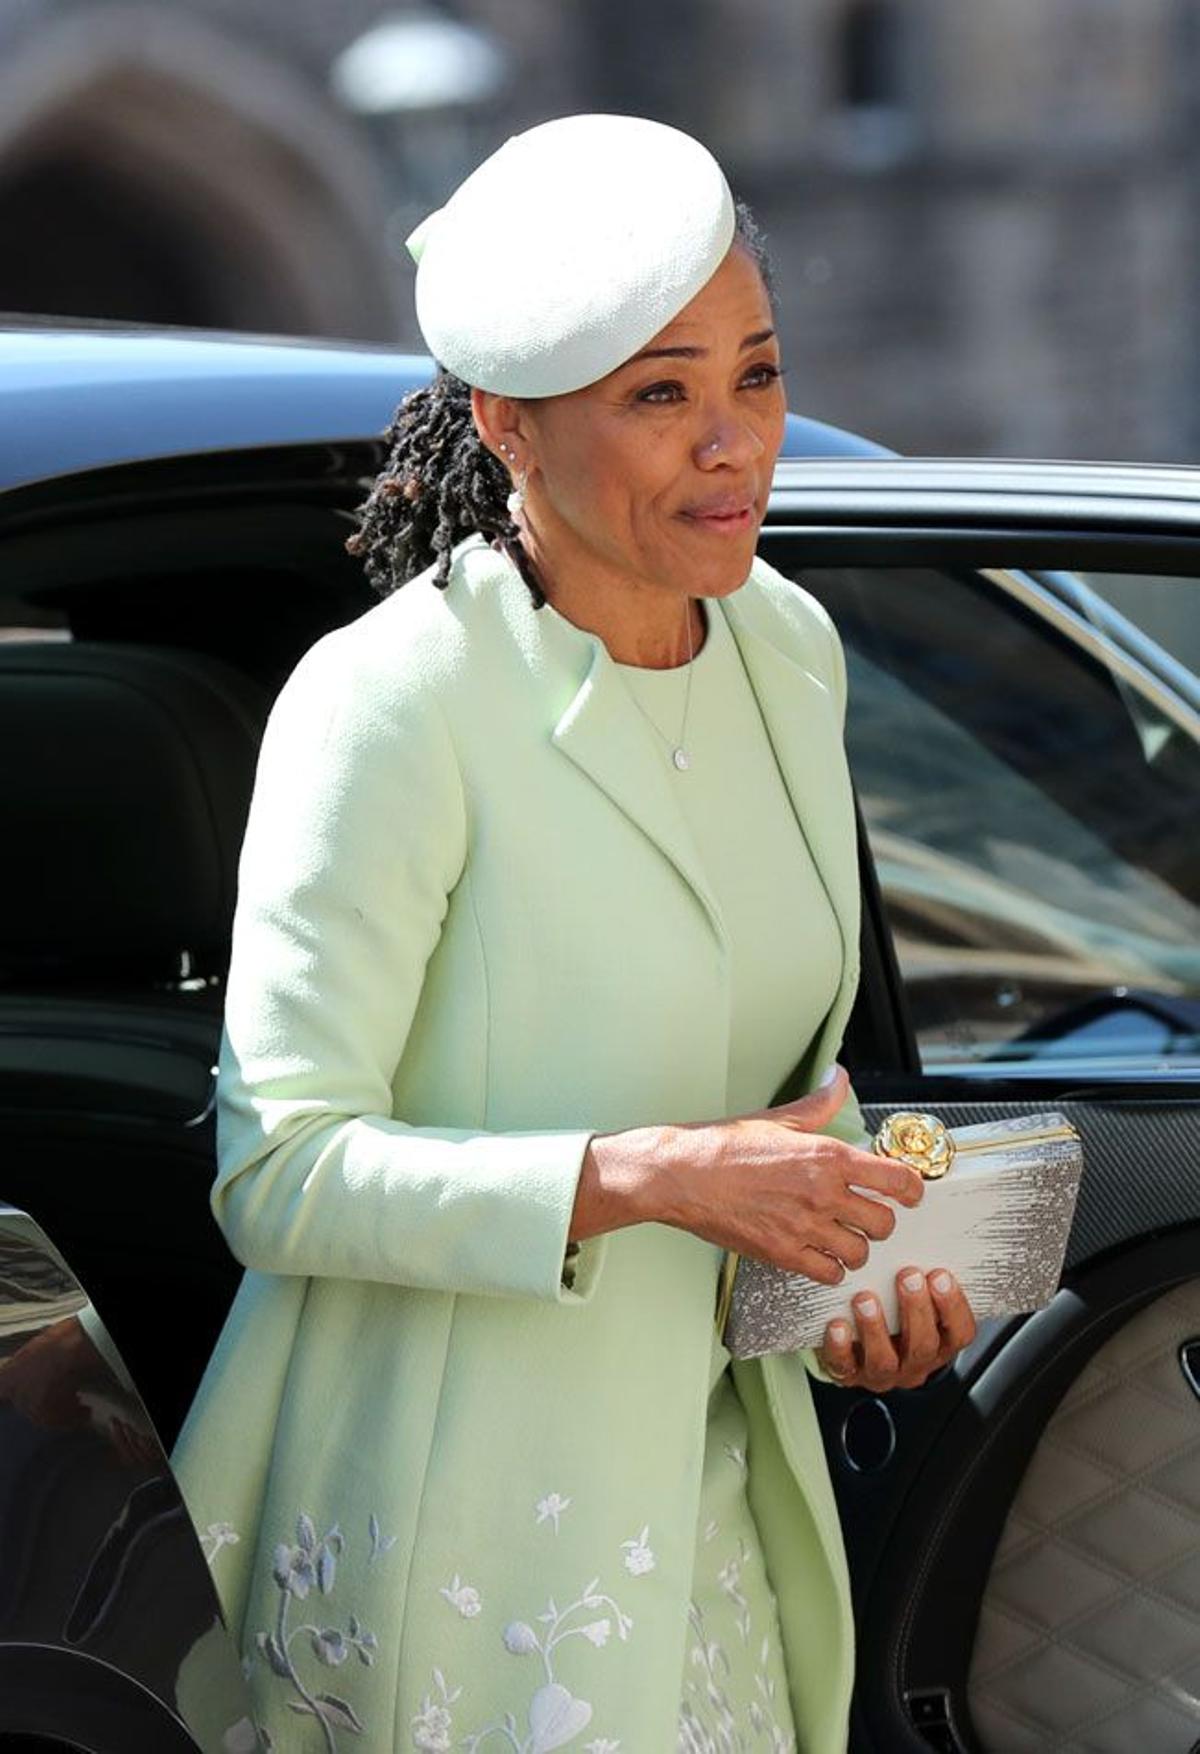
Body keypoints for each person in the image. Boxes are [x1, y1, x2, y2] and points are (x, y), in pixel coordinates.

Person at [173, 113, 976, 1754]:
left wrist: (863, 1279)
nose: (736, 443)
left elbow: (785, 1093)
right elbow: (279, 1168)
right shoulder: (394, 701)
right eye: (661, 393)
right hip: (454, 1536)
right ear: (510, 426)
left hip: (719, 1526)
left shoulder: (791, 652)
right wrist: (642, 1175)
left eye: (757, 376)